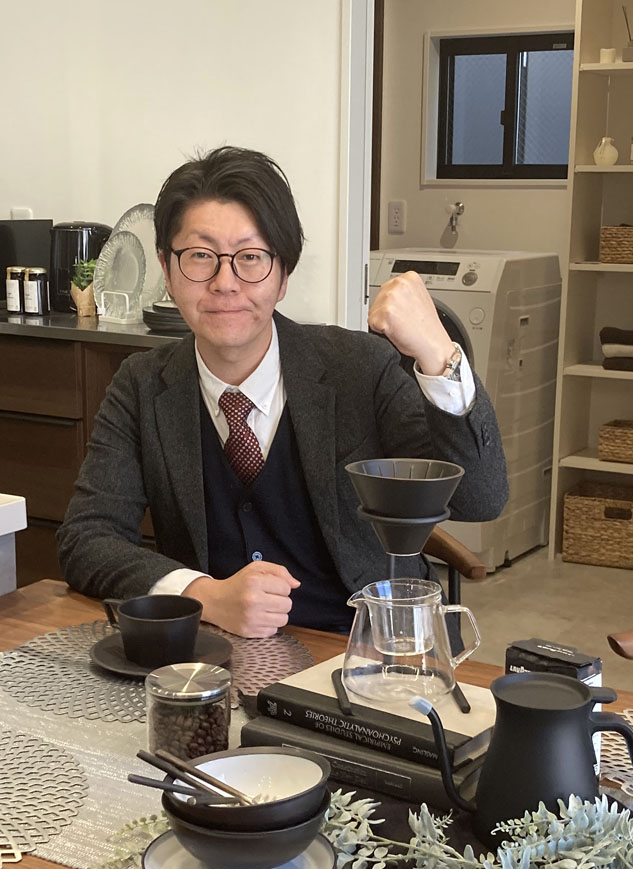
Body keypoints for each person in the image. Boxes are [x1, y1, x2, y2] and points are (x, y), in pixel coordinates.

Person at [57, 146, 508, 639]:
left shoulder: (360, 368)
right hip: (218, 654)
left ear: (284, 274)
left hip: (369, 649)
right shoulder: (141, 386)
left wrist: (440, 354)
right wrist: (204, 595)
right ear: (167, 269)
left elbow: (479, 500)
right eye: (200, 257)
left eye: (251, 257)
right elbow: (87, 537)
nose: (225, 283)